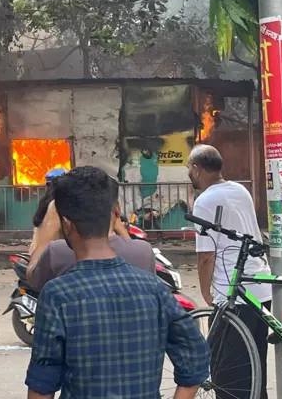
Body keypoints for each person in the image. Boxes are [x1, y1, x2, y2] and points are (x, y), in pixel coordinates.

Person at [26, 166, 209, 399]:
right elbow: (195, 355)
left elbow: (42, 387)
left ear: (67, 224)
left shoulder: (58, 295)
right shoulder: (154, 289)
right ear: (116, 213)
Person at [188, 144, 271, 399]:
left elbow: (205, 256)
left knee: (229, 376)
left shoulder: (205, 200)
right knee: (256, 365)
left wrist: (206, 292)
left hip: (232, 293)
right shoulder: (240, 190)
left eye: (189, 170)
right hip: (260, 285)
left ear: (197, 168)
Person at [26, 175, 155, 291]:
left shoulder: (57, 252)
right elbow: (128, 244)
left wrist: (50, 230)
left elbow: (32, 277)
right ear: (116, 210)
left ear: (66, 222)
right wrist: (119, 225)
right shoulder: (144, 251)